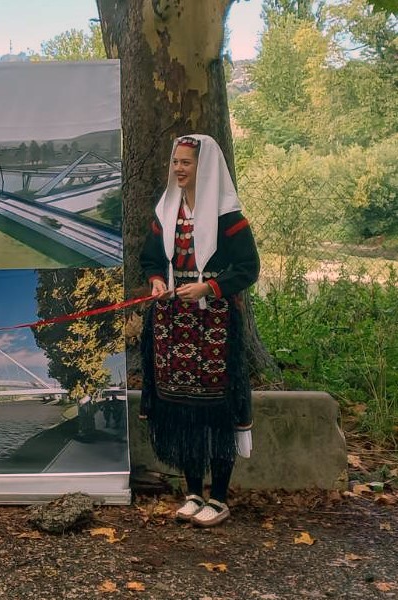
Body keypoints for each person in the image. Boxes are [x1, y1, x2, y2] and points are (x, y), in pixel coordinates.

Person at [139, 134, 260, 528]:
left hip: (216, 322)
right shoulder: (167, 210)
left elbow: (247, 268)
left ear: (203, 168)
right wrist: (158, 281)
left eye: (186, 163)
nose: (178, 169)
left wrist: (209, 287)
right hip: (174, 322)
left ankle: (220, 497)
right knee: (184, 408)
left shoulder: (229, 217)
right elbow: (152, 258)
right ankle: (193, 492)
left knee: (216, 408)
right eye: (175, 162)